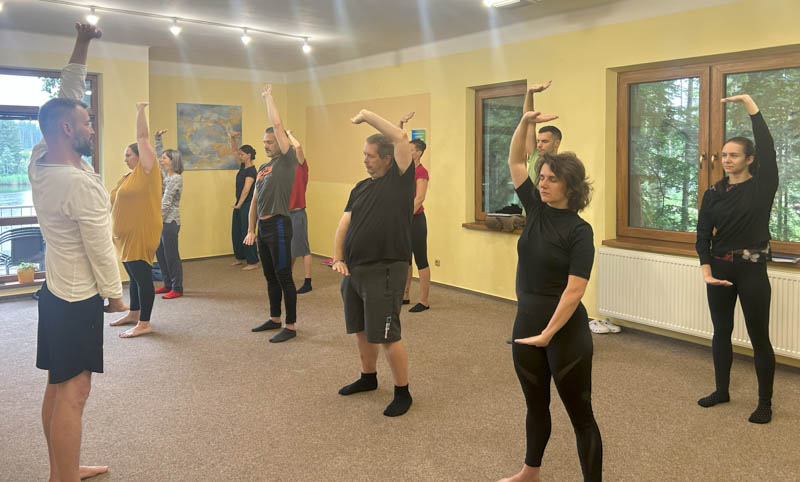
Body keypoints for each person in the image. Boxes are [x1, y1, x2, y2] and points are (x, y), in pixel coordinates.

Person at [30, 22, 125, 482]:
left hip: (54, 292)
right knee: (75, 393)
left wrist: (82, 44)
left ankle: (61, 469)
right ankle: (63, 477)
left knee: (57, 384)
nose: (92, 127)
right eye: (87, 123)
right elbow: (101, 249)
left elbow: (65, 97)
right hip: (76, 298)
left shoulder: (40, 159)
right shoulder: (81, 184)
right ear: (68, 129)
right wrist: (117, 296)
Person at [500, 110, 602, 482]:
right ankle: (530, 472)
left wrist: (548, 333)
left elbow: (575, 290)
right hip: (526, 322)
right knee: (535, 406)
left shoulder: (580, 231)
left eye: (551, 179)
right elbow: (515, 161)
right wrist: (525, 120)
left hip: (565, 332)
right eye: (541, 177)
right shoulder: (536, 210)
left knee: (581, 415)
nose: (542, 184)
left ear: (570, 187)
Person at [695, 94, 778, 424]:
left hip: (752, 270)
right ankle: (721, 390)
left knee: (759, 337)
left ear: (749, 159)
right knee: (721, 331)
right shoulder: (713, 193)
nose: (726, 160)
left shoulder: (763, 186)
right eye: (724, 155)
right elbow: (703, 235)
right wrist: (705, 270)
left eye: (733, 155)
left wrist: (750, 105)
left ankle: (765, 402)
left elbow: (768, 147)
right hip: (719, 268)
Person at [332, 109, 414, 417]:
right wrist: (338, 257)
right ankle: (368, 378)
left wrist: (367, 116)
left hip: (386, 270)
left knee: (387, 335)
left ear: (387, 159)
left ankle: (403, 392)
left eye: (370, 155)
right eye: (364, 154)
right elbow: (345, 223)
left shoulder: (400, 181)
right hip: (355, 270)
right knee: (361, 329)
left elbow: (401, 137)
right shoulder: (361, 187)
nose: (365, 160)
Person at [245, 85, 304, 343]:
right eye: (264, 143)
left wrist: (268, 97)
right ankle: (275, 318)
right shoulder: (263, 168)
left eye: (270, 142)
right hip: (264, 228)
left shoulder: (287, 161)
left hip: (280, 225)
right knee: (269, 277)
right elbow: (254, 201)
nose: (266, 146)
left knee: (284, 277)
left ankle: (290, 326)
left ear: (280, 143)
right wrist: (251, 229)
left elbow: (278, 125)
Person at [108, 102, 163, 338]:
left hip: (141, 232)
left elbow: (142, 137)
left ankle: (144, 322)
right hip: (125, 236)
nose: (125, 159)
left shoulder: (148, 171)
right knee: (133, 277)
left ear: (141, 156)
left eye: (129, 155)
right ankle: (134, 313)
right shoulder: (127, 177)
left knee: (142, 278)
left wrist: (140, 111)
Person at [397, 112, 431, 312]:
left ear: (418, 153)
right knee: (405, 259)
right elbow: (398, 142)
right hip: (405, 220)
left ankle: (424, 300)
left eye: (410, 150)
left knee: (421, 260)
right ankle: (405, 294)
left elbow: (419, 199)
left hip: (416, 221)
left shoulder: (421, 172)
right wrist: (401, 123)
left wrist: (405, 215)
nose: (407, 152)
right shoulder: (406, 168)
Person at [153, 129, 184, 299]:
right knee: (161, 254)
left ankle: (177, 287)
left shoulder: (176, 178)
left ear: (172, 161)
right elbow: (159, 153)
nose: (161, 159)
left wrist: (156, 219)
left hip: (170, 222)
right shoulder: (167, 175)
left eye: (165, 158)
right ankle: (167, 284)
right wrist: (157, 138)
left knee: (171, 256)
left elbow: (166, 202)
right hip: (161, 220)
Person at [287, 130, 313, 294]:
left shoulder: (301, 166)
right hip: (286, 214)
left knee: (303, 248)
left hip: (298, 214)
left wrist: (288, 134)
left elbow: (298, 147)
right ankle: (287, 276)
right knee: (290, 248)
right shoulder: (287, 169)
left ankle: (308, 282)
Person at [229, 132, 260, 270]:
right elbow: (235, 151)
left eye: (242, 154)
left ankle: (253, 262)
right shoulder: (243, 167)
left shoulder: (252, 171)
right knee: (236, 232)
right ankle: (240, 258)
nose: (239, 156)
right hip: (239, 204)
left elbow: (246, 190)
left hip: (247, 205)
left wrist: (239, 205)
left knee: (247, 232)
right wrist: (232, 138)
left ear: (248, 155)